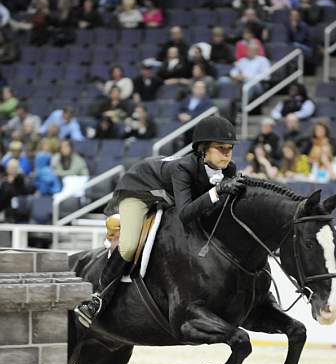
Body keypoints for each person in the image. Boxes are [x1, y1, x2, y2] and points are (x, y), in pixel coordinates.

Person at [74, 115, 245, 326]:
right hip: (140, 190)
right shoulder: (182, 168)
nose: (227, 154)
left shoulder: (229, 169)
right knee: (128, 247)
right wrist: (217, 191)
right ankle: (98, 299)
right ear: (202, 149)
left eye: (230, 148)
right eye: (221, 148)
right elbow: (185, 213)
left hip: (167, 197)